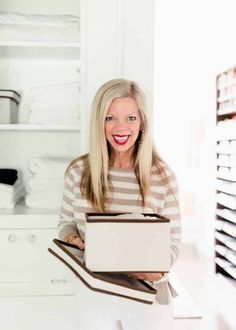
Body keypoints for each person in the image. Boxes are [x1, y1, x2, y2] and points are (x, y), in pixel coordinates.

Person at [58, 78, 181, 330]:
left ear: (143, 122)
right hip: (94, 294)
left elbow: (174, 240)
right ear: (99, 122)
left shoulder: (162, 176)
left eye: (131, 118)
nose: (120, 127)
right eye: (110, 118)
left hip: (147, 299)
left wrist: (157, 272)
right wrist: (73, 240)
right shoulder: (78, 171)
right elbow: (66, 224)